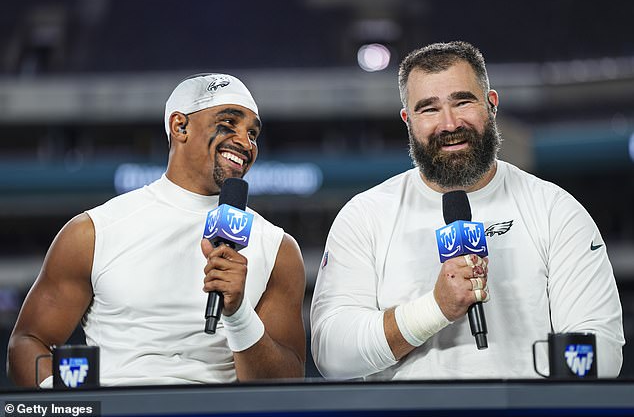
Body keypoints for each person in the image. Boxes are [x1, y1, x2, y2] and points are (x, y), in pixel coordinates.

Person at [310, 41, 624, 380]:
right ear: (408, 121)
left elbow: (601, 347)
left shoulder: (555, 210)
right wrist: (435, 309)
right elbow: (332, 355)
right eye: (428, 109)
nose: (449, 123)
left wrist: (523, 387)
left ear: (491, 104)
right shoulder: (365, 216)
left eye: (462, 101)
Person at [8, 73, 306, 386]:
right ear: (180, 126)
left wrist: (238, 313)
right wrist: (73, 406)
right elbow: (27, 341)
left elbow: (286, 382)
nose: (246, 143)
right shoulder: (94, 231)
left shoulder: (277, 248)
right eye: (229, 123)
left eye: (253, 134)